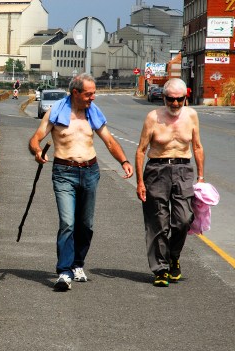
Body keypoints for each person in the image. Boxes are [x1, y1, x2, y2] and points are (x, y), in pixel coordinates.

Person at [29, 73, 133, 291]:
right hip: (64, 172)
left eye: (94, 93)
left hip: (90, 172)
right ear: (75, 92)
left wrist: (123, 161)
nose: (92, 97)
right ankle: (64, 272)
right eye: (88, 94)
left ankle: (77, 264)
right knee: (67, 222)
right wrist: (37, 152)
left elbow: (109, 141)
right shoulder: (56, 112)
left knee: (86, 224)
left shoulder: (93, 112)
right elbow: (35, 139)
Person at [135, 78, 204, 287]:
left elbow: (197, 147)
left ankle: (174, 256)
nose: (175, 103)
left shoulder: (191, 115)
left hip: (183, 169)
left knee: (183, 219)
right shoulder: (153, 117)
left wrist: (201, 178)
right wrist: (140, 182)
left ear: (185, 97)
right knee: (158, 222)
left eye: (179, 99)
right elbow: (141, 150)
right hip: (157, 170)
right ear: (164, 98)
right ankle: (161, 269)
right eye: (171, 99)